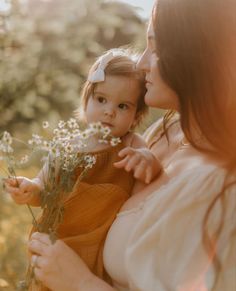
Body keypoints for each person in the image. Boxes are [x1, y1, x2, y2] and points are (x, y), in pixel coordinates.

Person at [27, 0, 236, 290]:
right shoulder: (163, 133)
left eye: (156, 48)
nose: (141, 63)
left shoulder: (221, 186)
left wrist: (78, 281)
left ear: (196, 56)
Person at [5, 49, 162, 286]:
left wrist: (146, 160)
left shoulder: (131, 144)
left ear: (136, 116)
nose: (109, 111)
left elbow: (151, 164)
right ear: (86, 98)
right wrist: (29, 189)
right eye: (101, 100)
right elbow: (43, 188)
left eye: (123, 106)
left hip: (99, 246)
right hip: (61, 242)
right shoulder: (67, 146)